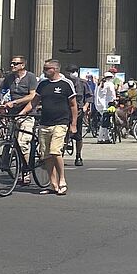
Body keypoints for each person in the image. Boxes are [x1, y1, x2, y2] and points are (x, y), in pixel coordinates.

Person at [30, 60, 77, 196]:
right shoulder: (43, 84)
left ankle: (62, 180)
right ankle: (53, 183)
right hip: (45, 122)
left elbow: (73, 105)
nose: (44, 71)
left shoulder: (66, 84)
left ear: (55, 69)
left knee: (55, 151)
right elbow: (34, 101)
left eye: (47, 68)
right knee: (46, 155)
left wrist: (73, 124)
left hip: (61, 122)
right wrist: (22, 113)